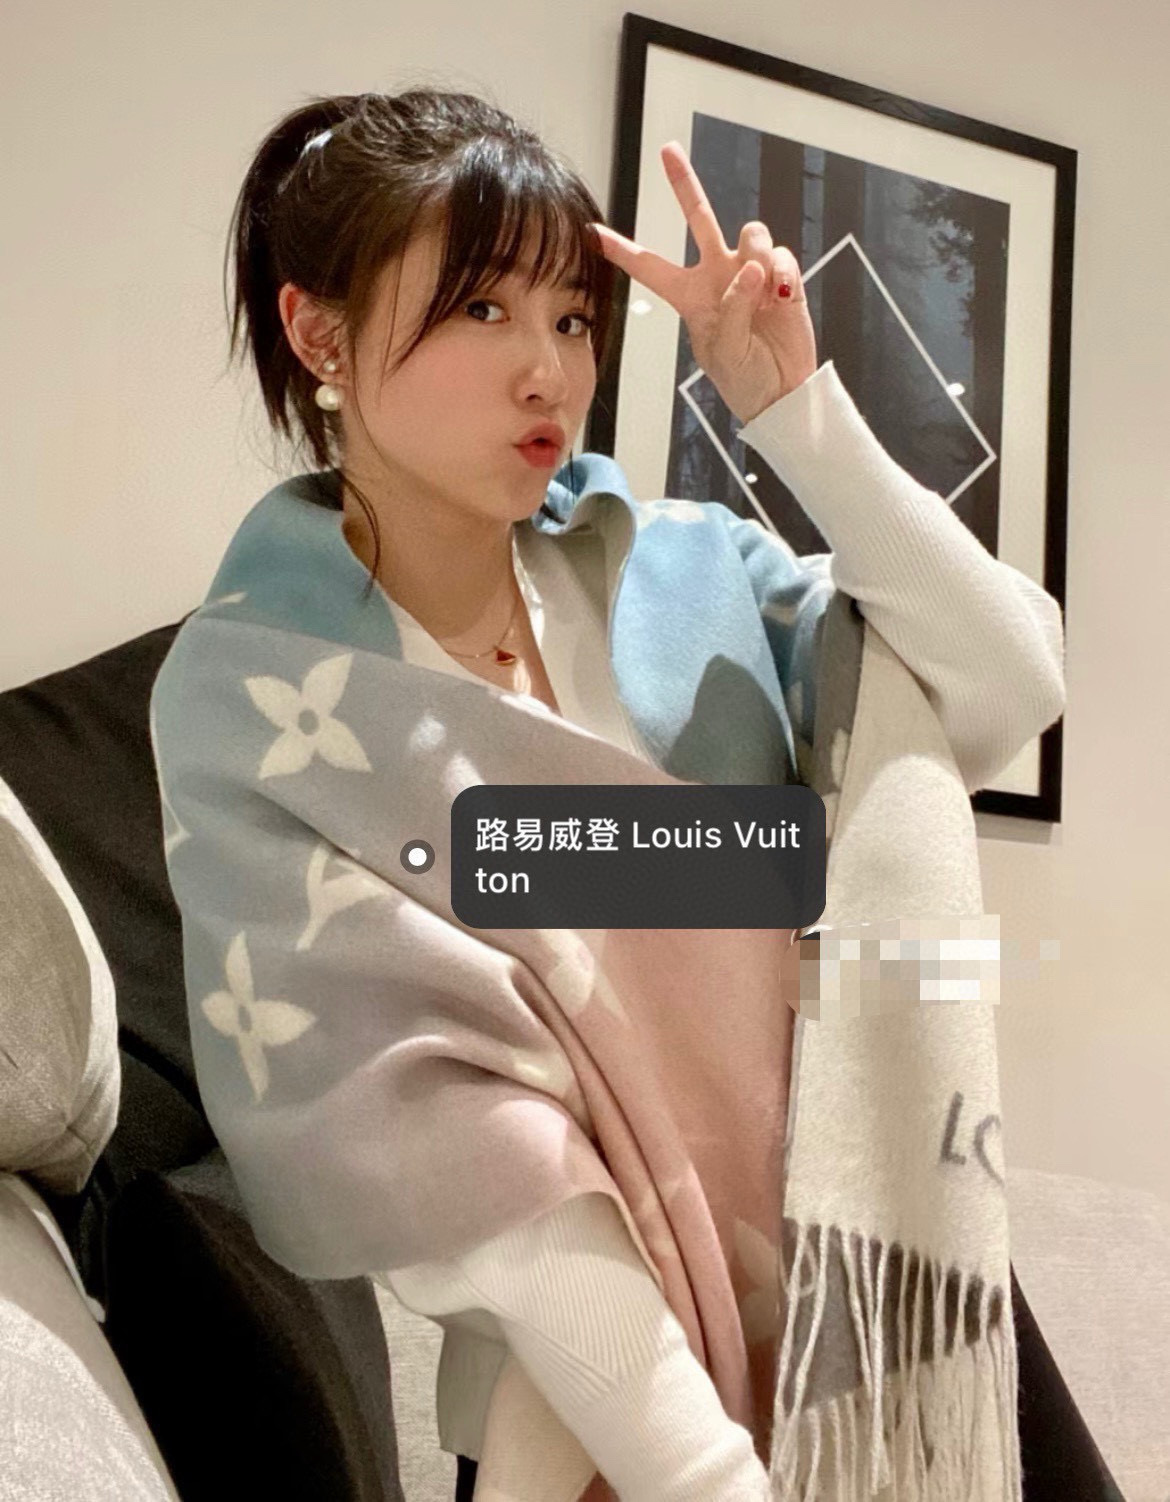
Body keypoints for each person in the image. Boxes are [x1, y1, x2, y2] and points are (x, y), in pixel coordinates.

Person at [176, 87, 1065, 1500]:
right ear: (320, 334)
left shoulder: (690, 573)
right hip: (605, 1422)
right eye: (482, 310)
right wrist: (754, 865)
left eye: (574, 317)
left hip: (875, 1325)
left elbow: (1008, 680)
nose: (549, 371)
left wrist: (799, 416)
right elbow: (452, 1140)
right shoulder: (256, 699)